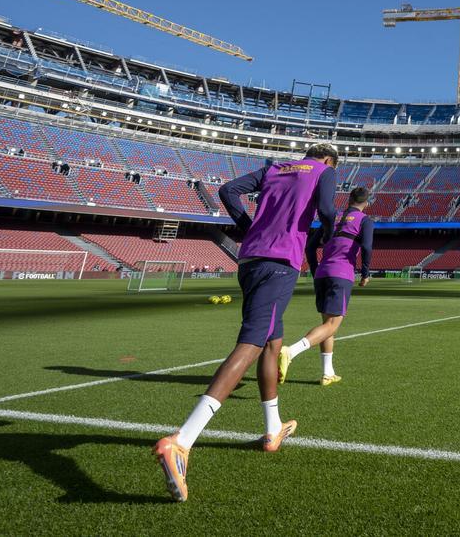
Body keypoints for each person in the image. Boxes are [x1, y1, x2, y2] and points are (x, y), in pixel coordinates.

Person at [155, 144, 338, 502]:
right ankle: (182, 441)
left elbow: (228, 191)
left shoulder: (276, 168)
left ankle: (272, 430)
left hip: (250, 259)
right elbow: (329, 210)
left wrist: (247, 225)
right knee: (252, 343)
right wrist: (326, 236)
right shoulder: (325, 172)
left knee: (272, 341)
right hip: (280, 262)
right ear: (329, 160)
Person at [280, 186, 372, 387]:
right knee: (331, 325)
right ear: (366, 203)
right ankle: (291, 352)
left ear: (349, 200)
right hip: (341, 274)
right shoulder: (364, 220)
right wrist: (365, 274)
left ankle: (327, 373)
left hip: (322, 274)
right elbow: (366, 246)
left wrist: (315, 269)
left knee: (327, 326)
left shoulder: (333, 219)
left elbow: (310, 247)